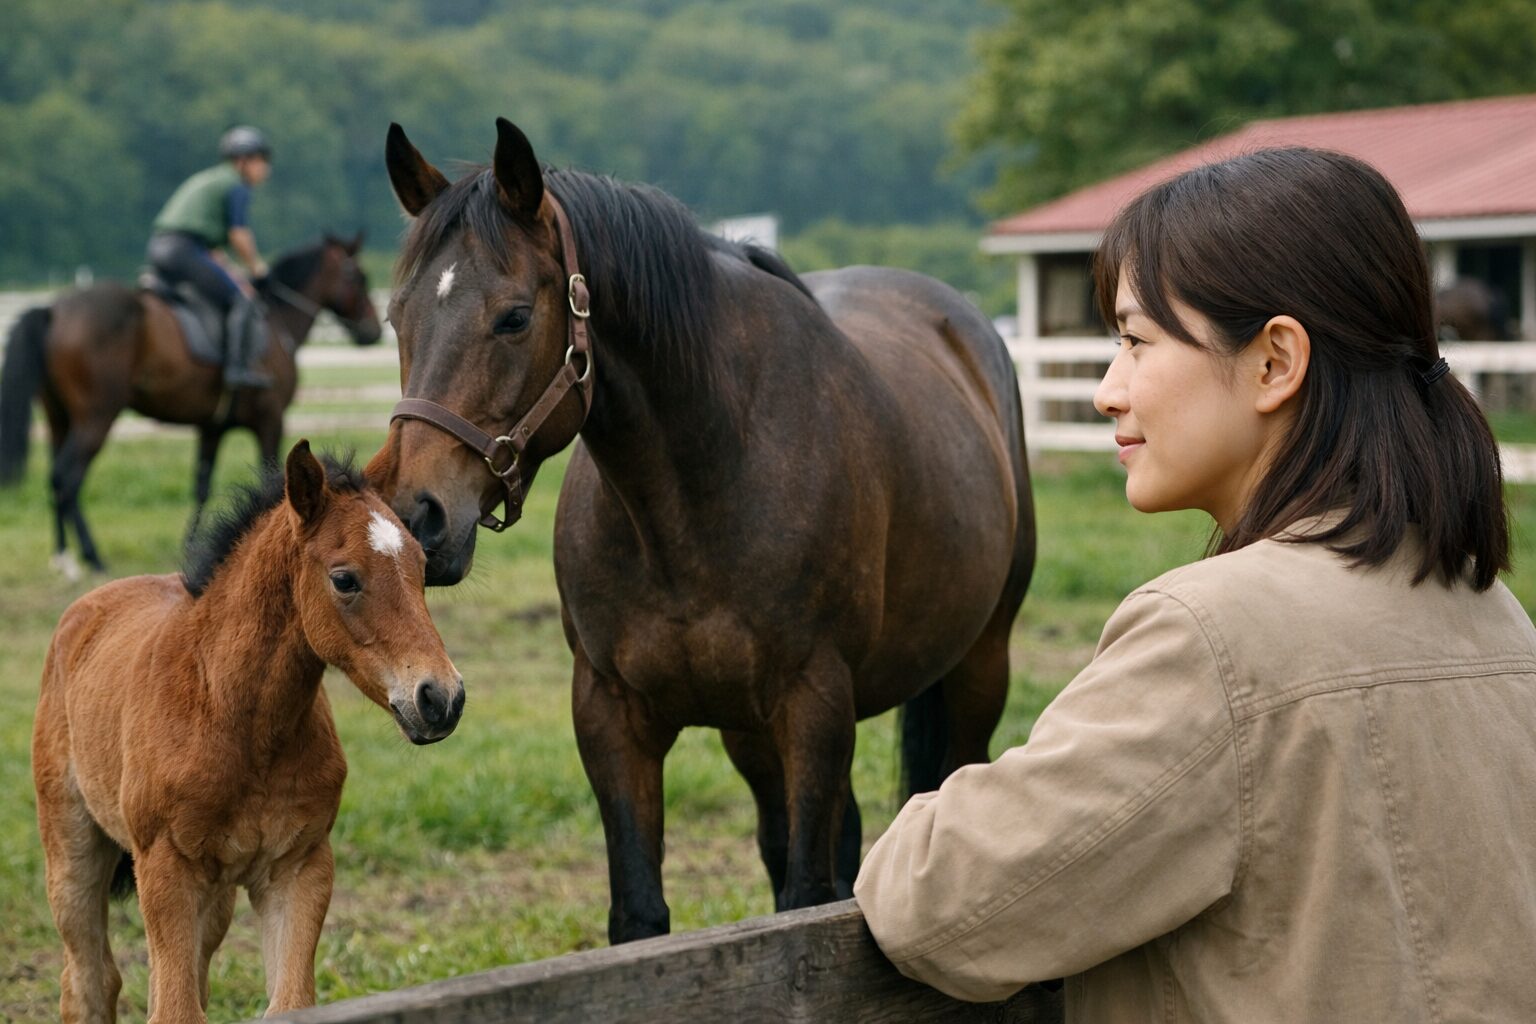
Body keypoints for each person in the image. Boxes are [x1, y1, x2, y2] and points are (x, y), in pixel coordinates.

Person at [854, 147, 1536, 1022]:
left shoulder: (1212, 635)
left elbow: (935, 904)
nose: (1109, 390)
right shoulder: (1495, 613)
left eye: (1136, 341)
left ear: (1274, 363)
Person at [146, 125, 273, 388]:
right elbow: (239, 234)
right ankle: (237, 370)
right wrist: (257, 267)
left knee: (232, 287)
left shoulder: (211, 179)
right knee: (243, 298)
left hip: (162, 248)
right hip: (184, 251)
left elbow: (212, 250)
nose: (265, 168)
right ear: (243, 161)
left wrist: (233, 272)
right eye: (261, 159)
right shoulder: (236, 186)